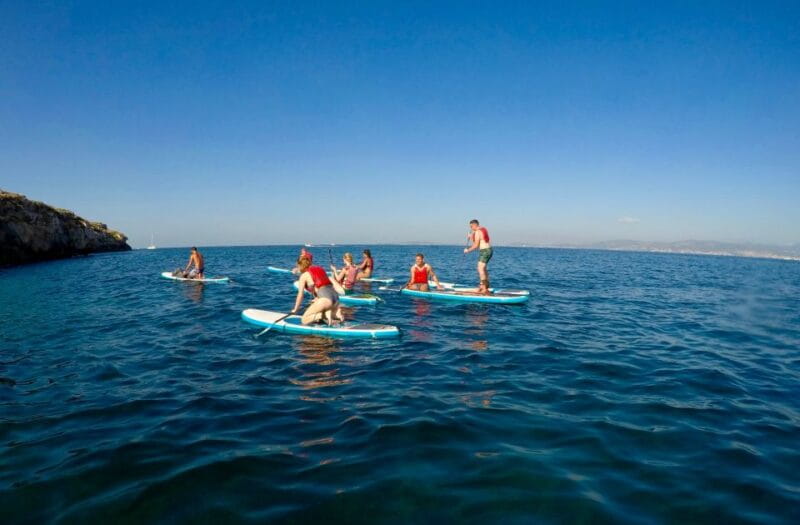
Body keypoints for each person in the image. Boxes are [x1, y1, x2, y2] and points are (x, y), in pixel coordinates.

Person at [292, 256, 343, 325]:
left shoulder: (304, 276)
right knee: (319, 306)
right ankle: (335, 315)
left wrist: (295, 309)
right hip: (336, 298)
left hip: (326, 300)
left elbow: (300, 295)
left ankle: (326, 316)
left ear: (300, 266)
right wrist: (317, 298)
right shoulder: (320, 269)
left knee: (304, 320)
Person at [463, 219, 492, 294]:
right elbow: (479, 241)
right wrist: (471, 236)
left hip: (485, 251)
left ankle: (484, 288)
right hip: (488, 250)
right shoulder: (483, 230)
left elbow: (476, 245)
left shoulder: (477, 232)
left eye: (471, 226)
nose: (471, 228)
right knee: (483, 268)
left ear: (475, 225)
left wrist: (467, 250)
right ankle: (484, 286)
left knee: (480, 268)